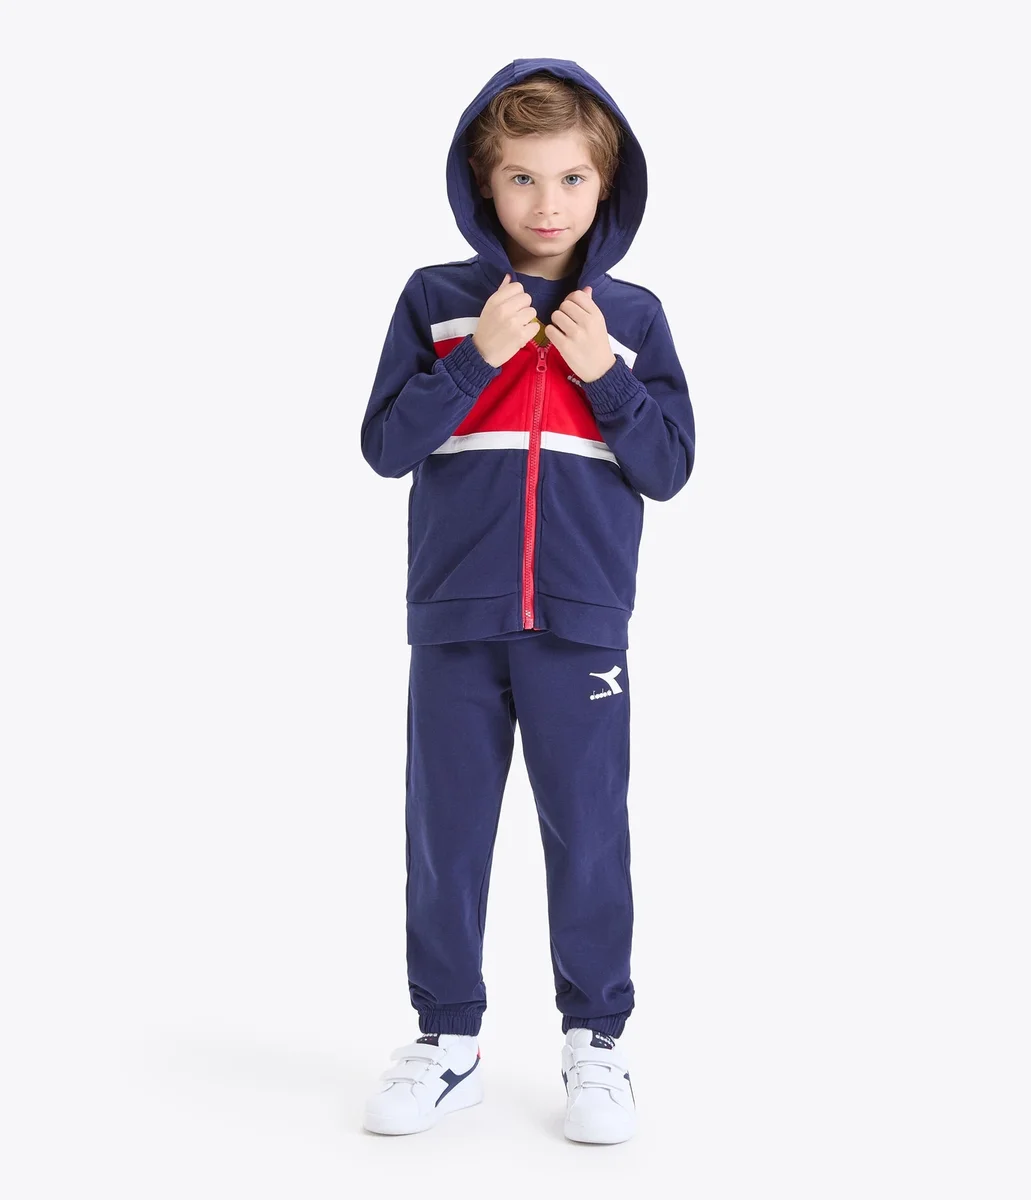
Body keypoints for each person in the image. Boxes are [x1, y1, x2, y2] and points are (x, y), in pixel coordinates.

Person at [359, 58, 695, 1143]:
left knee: (588, 834)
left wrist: (605, 373)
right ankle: (445, 1039)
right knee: (443, 837)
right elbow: (385, 445)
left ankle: (596, 1041)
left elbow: (667, 467)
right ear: (481, 183)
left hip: (580, 622)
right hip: (455, 619)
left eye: (570, 179)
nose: (546, 204)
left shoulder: (630, 317)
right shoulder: (437, 302)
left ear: (605, 186)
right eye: (520, 178)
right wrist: (477, 359)